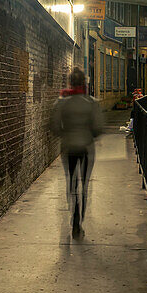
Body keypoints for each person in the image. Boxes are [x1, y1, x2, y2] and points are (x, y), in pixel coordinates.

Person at [50, 68, 102, 238]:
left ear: (70, 82)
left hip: (69, 147)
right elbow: (98, 128)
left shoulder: (61, 102)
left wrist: (67, 135)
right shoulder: (92, 103)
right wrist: (88, 134)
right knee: (84, 184)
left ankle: (73, 213)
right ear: (84, 83)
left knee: (71, 182)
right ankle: (79, 221)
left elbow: (55, 127)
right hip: (86, 147)